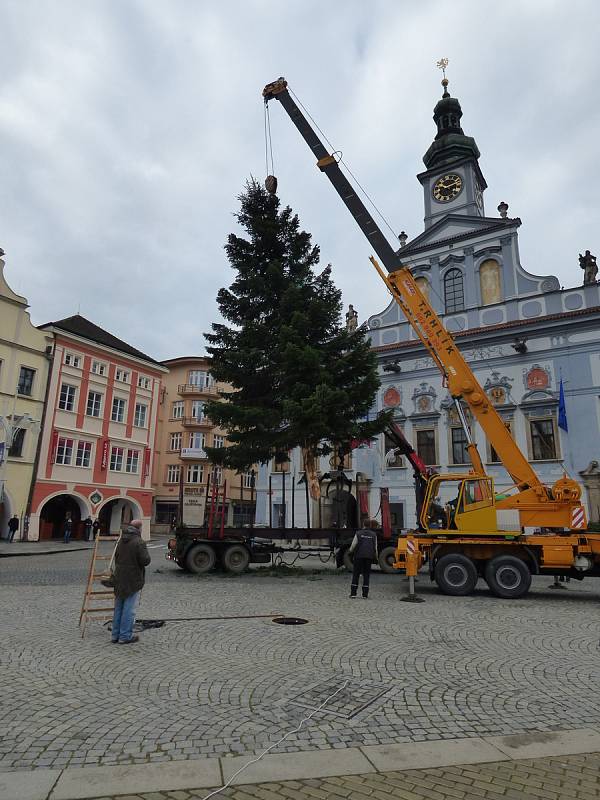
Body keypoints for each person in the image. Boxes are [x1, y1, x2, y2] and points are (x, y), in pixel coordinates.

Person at [110, 519, 151, 644]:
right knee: (129, 609)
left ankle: (115, 635)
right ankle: (125, 636)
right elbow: (145, 561)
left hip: (119, 577)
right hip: (133, 579)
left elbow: (116, 557)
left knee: (118, 607)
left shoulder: (120, 541)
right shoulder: (139, 542)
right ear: (139, 528)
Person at [348, 518, 379, 599]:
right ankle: (365, 594)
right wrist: (376, 557)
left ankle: (353, 593)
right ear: (370, 525)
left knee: (356, 574)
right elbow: (375, 548)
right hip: (368, 557)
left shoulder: (358, 533)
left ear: (363, 524)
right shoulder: (373, 534)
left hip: (359, 556)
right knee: (366, 575)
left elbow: (353, 545)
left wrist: (350, 552)